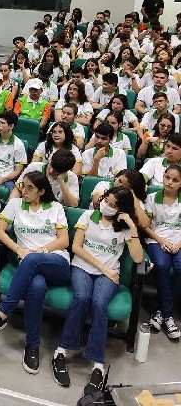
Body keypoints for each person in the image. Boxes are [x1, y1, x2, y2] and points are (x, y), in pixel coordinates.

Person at [0, 171, 70, 375]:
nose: (23, 191)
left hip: (56, 262)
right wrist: (18, 249)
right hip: (28, 263)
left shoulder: (55, 208)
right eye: (22, 186)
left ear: (42, 191)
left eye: (29, 188)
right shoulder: (15, 204)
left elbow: (64, 241)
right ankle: (32, 346)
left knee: (32, 260)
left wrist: (40, 251)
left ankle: (3, 313)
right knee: (36, 286)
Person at [52, 187, 143, 394]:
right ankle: (61, 351)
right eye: (106, 200)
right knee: (82, 297)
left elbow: (138, 259)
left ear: (121, 210)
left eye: (112, 205)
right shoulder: (87, 215)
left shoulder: (124, 228)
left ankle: (98, 365)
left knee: (99, 304)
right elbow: (76, 247)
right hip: (83, 267)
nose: (105, 205)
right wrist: (102, 267)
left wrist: (133, 227)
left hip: (108, 275)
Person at [144, 164, 181, 340]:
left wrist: (178, 244)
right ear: (163, 176)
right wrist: (162, 240)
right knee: (161, 265)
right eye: (167, 178)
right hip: (157, 240)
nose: (170, 182)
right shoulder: (152, 197)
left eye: (175, 180)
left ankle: (162, 312)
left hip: (179, 241)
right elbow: (146, 226)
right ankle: (169, 315)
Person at [13, 149, 79, 207]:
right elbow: (18, 189)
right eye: (51, 165)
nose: (51, 171)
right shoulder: (34, 167)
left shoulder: (72, 178)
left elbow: (73, 205)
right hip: (29, 205)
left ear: (65, 171)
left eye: (56, 170)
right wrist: (11, 204)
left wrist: (62, 182)